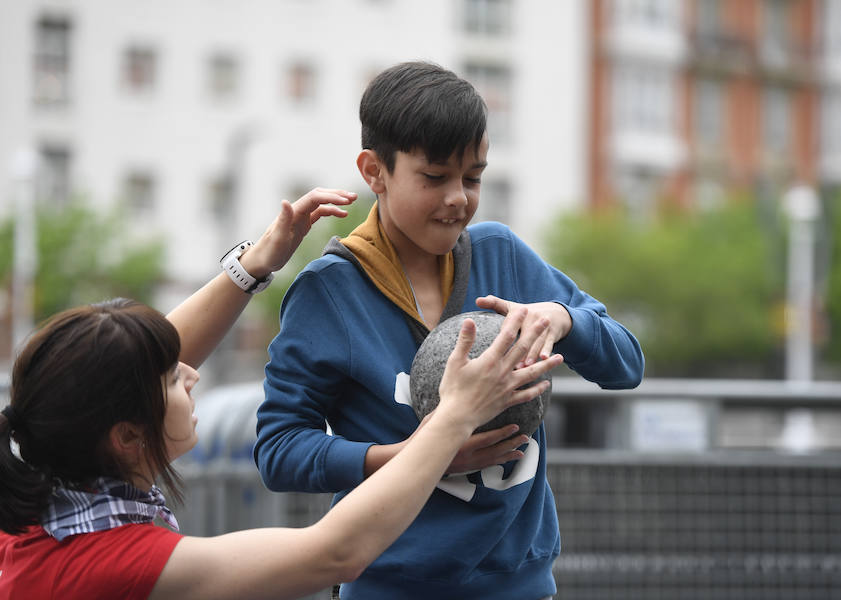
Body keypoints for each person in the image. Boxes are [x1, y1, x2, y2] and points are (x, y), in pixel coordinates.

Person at [0, 188, 562, 600]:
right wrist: (455, 415)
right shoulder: (110, 563)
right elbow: (335, 553)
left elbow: (119, 373)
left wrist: (253, 266)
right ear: (126, 436)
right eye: (174, 378)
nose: (193, 374)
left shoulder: (41, 496)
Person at [255, 61, 645, 599]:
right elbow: (278, 449)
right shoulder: (328, 294)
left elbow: (627, 365)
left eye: (474, 177)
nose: (458, 197)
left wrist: (565, 319)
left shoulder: (502, 256)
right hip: (387, 586)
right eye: (434, 177)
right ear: (375, 172)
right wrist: (420, 455)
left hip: (522, 586)